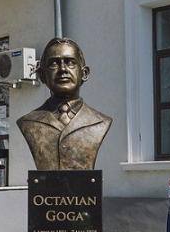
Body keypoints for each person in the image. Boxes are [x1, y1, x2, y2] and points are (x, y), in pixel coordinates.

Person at [17, 37, 112, 170]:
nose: (62, 69)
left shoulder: (101, 122)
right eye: (54, 64)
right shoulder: (28, 122)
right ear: (43, 76)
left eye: (70, 62)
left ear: (84, 73)